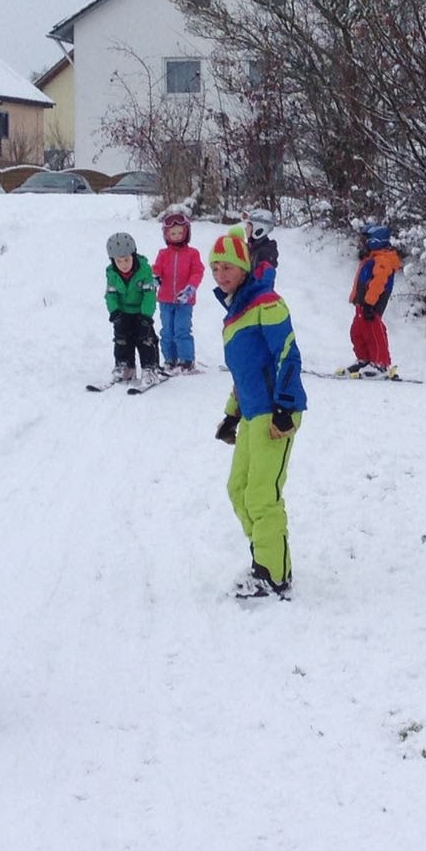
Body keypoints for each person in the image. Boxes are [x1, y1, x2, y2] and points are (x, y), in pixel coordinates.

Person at [210, 230, 307, 600]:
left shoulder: (266, 303)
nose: (221, 274)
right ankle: (264, 557)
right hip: (251, 413)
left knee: (262, 495)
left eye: (228, 266)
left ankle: (273, 575)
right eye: (215, 268)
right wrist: (232, 415)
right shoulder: (236, 310)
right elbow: (244, 372)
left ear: (244, 265)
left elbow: (287, 354)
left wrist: (283, 408)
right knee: (238, 489)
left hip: (275, 415)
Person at [340, 223, 403, 379]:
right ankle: (365, 359)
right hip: (363, 304)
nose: (363, 243)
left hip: (371, 304)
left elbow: (378, 283)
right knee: (357, 332)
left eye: (366, 240)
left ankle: (380, 363)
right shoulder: (373, 257)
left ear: (376, 240)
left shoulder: (383, 259)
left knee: (373, 332)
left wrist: (370, 303)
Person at [104, 230, 161, 385]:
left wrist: (146, 316)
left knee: (145, 340)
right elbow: (110, 294)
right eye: (119, 261)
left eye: (127, 260)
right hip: (122, 312)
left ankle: (150, 368)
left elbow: (149, 295)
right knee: (122, 340)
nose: (123, 265)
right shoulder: (112, 274)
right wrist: (114, 311)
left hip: (141, 313)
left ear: (133, 255)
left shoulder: (144, 270)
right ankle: (125, 367)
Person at [151, 211, 204, 373]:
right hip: (165, 300)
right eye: (173, 233)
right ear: (166, 235)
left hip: (184, 301)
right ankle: (170, 359)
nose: (176, 236)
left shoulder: (192, 253)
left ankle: (187, 360)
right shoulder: (163, 254)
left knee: (182, 329)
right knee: (167, 331)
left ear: (186, 233)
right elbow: (157, 268)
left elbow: (197, 271)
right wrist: (155, 277)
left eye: (180, 232)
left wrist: (190, 288)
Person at [245, 208, 279, 279]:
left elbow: (259, 281)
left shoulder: (266, 254)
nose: (245, 229)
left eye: (248, 226)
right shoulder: (251, 247)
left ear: (258, 229)